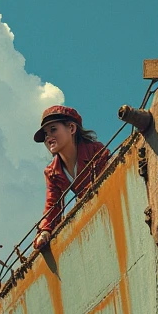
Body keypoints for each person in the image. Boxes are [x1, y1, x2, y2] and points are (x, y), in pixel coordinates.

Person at [32, 105, 110, 250]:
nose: (48, 137)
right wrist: (44, 231)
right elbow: (52, 204)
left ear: (72, 129)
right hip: (91, 214)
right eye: (45, 134)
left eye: (53, 129)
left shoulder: (95, 151)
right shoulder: (52, 172)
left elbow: (108, 182)